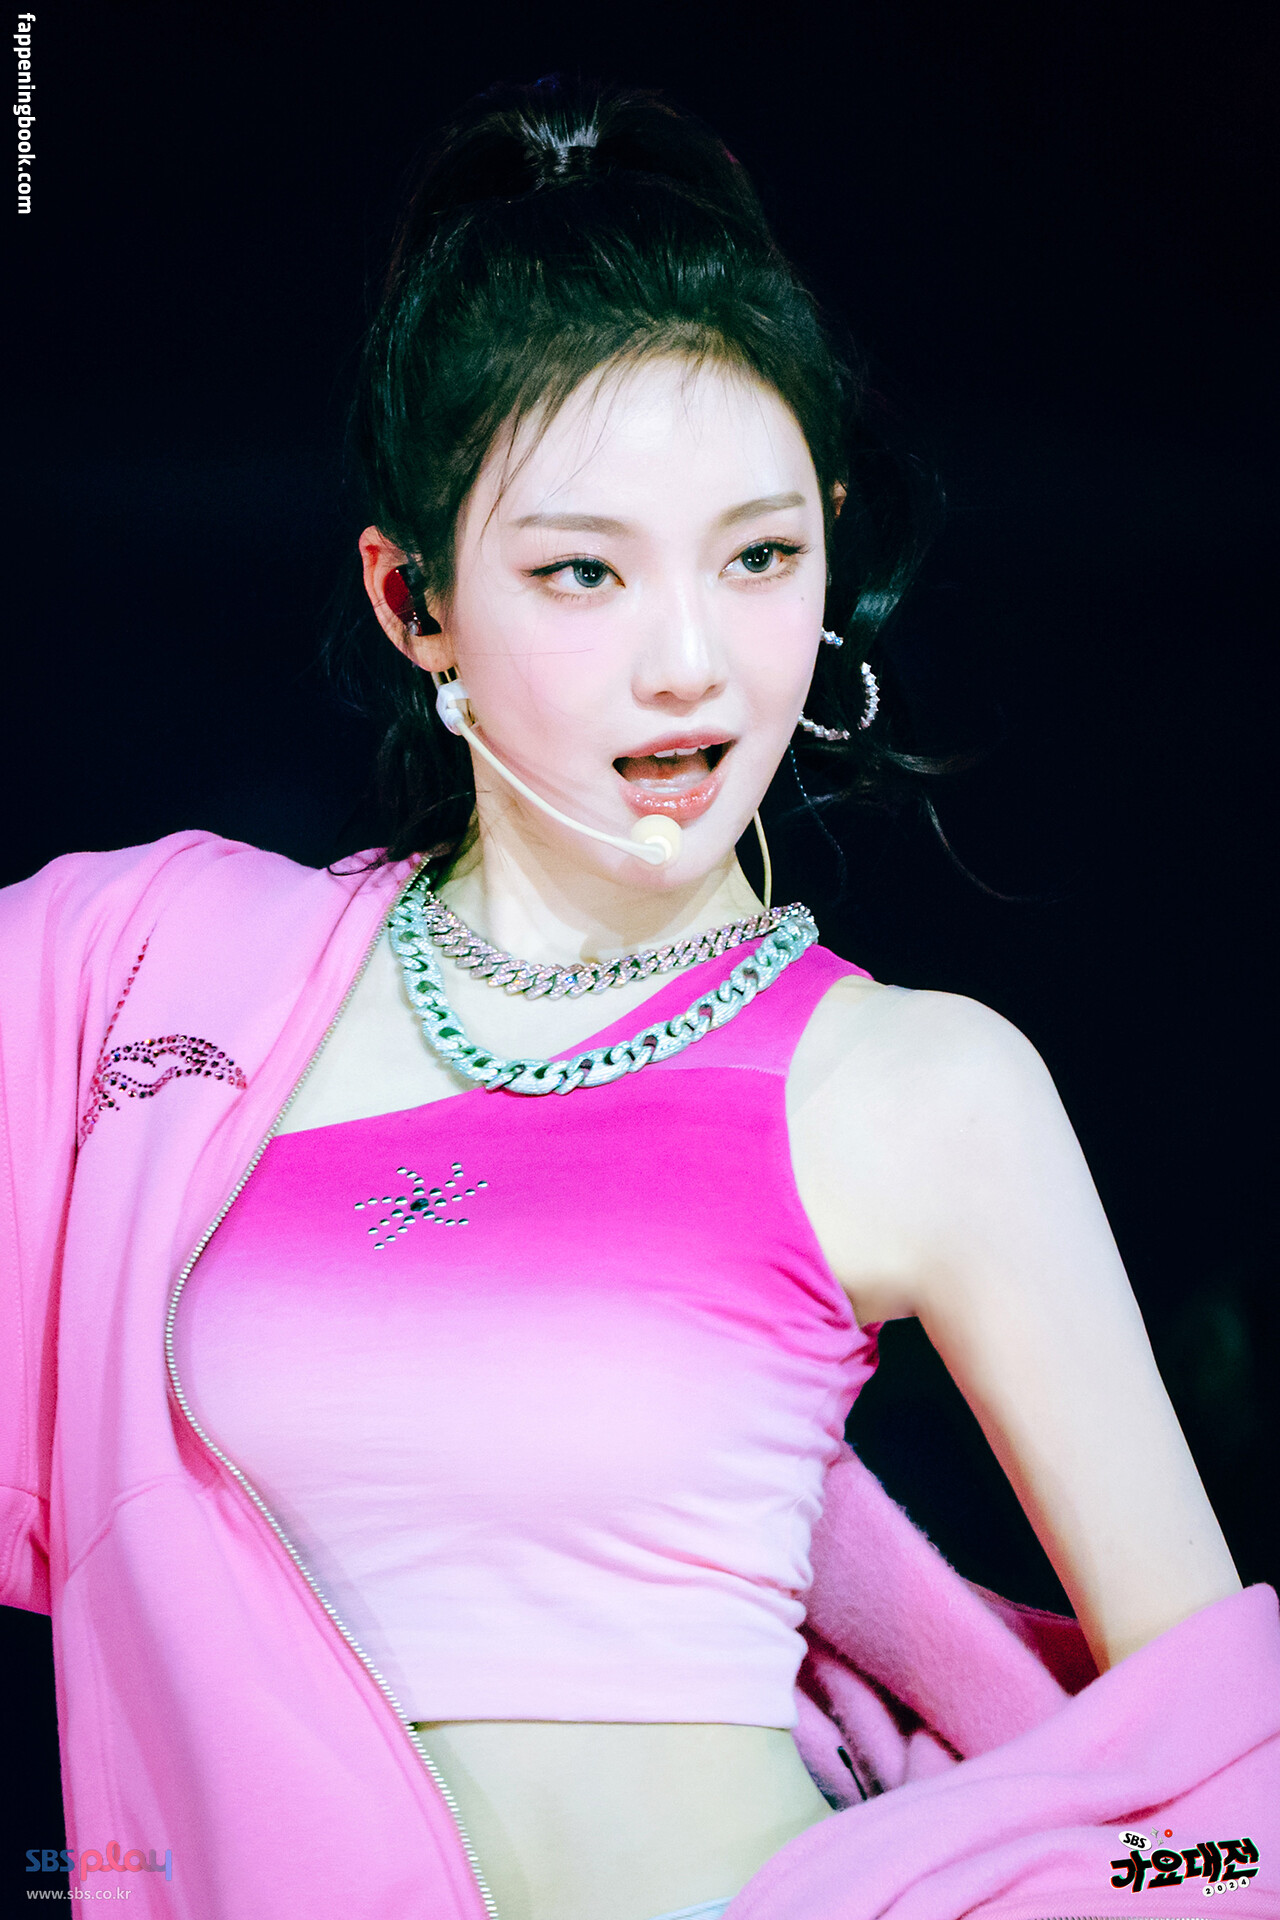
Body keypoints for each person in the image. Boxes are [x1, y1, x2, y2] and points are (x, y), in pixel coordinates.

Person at [2, 76, 1274, 1920]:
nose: (691, 662)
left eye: (759, 555)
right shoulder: (164, 988)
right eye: (583, 571)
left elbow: (1232, 1788)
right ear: (413, 601)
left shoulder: (920, 1089)